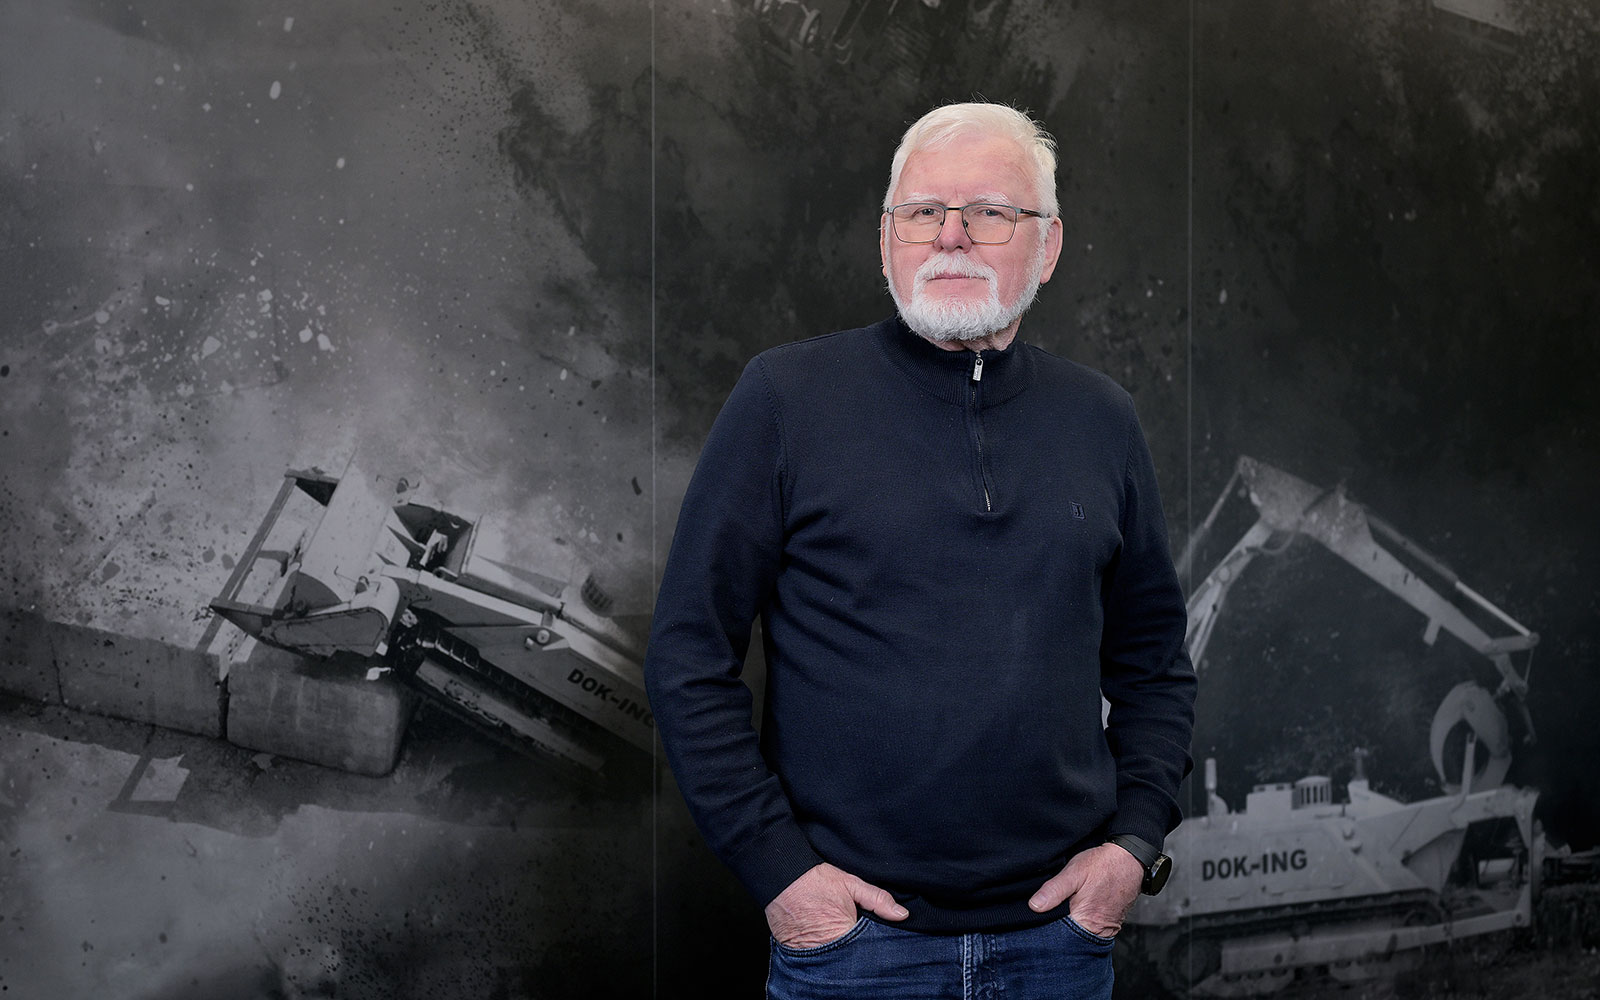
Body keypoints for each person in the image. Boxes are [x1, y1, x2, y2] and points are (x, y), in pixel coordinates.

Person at [644, 101, 1197, 998]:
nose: (950, 235)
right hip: (852, 949)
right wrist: (782, 875)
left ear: (1048, 246)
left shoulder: (1103, 419)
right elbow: (687, 655)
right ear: (885, 240)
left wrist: (1133, 847)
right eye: (922, 211)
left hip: (1058, 947)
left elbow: (1155, 668)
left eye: (989, 212)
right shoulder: (785, 399)